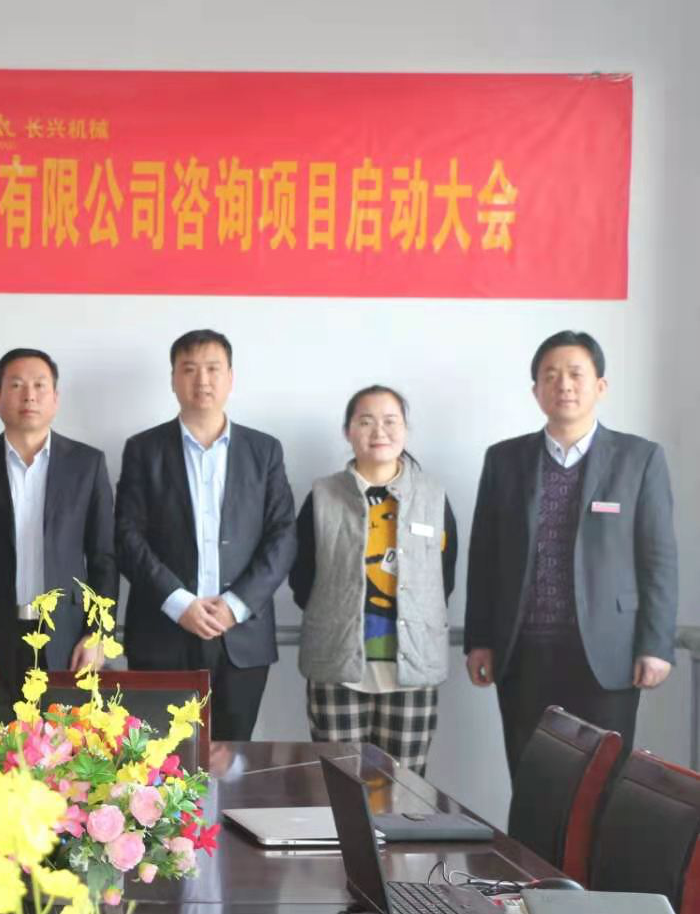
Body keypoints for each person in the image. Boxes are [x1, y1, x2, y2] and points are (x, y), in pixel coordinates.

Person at [465, 330, 677, 773]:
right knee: (530, 779)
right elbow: (484, 558)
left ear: (600, 386)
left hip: (608, 654)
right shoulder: (504, 460)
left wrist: (656, 644)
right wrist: (479, 640)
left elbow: (658, 560)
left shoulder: (639, 459)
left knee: (602, 784)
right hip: (523, 653)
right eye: (551, 375)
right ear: (536, 391)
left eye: (576, 374)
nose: (563, 385)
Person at [115, 329, 296, 741]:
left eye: (213, 369)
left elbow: (283, 536)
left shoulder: (264, 450)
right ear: (173, 379)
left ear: (230, 378)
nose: (202, 380)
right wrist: (179, 602)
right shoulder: (143, 449)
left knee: (233, 759)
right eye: (189, 369)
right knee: (155, 762)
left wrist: (236, 604)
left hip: (241, 636)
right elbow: (127, 537)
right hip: (163, 631)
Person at [289, 386, 458, 775]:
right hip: (337, 666)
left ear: (405, 430)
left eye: (390, 421)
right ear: (348, 431)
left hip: (413, 670)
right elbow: (301, 576)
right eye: (366, 421)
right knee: (341, 787)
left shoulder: (433, 496)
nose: (379, 431)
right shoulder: (323, 496)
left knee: (406, 788)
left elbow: (443, 578)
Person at [0, 348, 117, 710]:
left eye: (40, 385)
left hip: (69, 641)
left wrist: (97, 633)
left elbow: (105, 558)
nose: (29, 396)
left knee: (68, 743)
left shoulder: (87, 464)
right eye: (16, 385)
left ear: (55, 398)